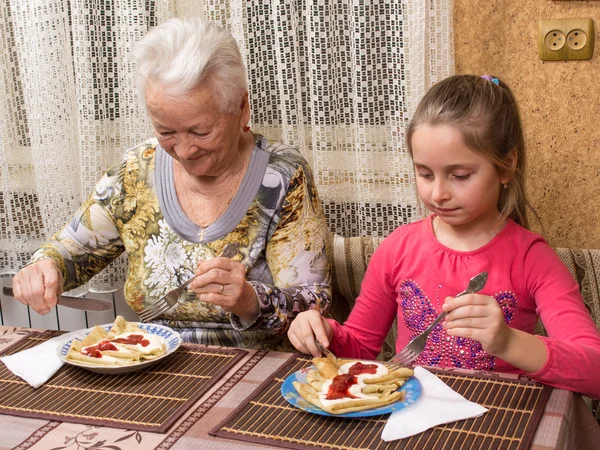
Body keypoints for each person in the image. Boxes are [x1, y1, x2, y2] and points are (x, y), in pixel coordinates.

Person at [12, 17, 331, 351]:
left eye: (200, 131)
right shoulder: (135, 171)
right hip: (151, 365)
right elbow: (69, 253)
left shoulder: (282, 175)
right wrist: (44, 268)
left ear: (242, 108)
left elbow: (314, 305)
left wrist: (251, 300)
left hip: (255, 368)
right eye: (166, 132)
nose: (184, 150)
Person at [288, 74, 600, 398]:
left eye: (460, 175)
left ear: (506, 167)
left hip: (501, 425)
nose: (438, 194)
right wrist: (322, 332)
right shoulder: (398, 249)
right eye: (424, 173)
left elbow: (594, 371)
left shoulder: (531, 258)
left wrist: (508, 342)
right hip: (412, 423)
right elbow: (359, 349)